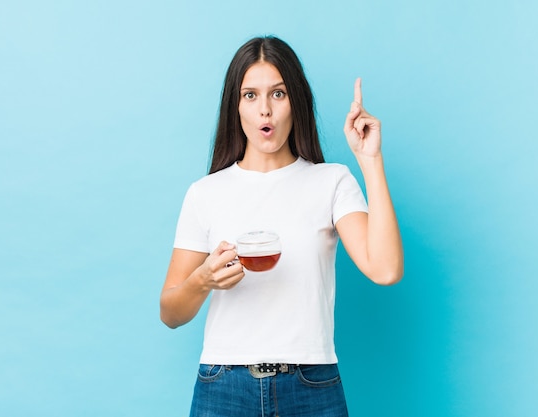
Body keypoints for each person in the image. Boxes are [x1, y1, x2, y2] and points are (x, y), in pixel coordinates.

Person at [160, 36, 403, 417]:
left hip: (312, 384)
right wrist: (202, 280)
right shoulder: (205, 193)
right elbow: (170, 312)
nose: (265, 112)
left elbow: (386, 269)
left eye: (278, 94)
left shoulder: (332, 182)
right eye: (251, 96)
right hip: (224, 386)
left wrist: (370, 160)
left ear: (296, 102)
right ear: (235, 106)